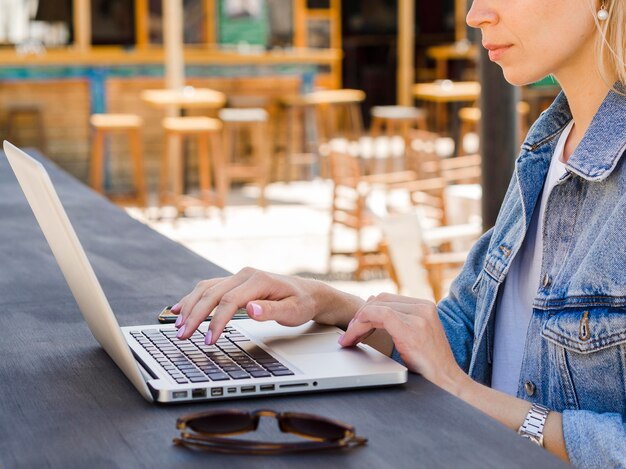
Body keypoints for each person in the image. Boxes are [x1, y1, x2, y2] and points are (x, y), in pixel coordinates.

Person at [170, 0, 626, 466]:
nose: (475, 15)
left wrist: (462, 391)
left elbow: (456, 379)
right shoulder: (548, 148)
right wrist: (330, 305)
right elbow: (462, 339)